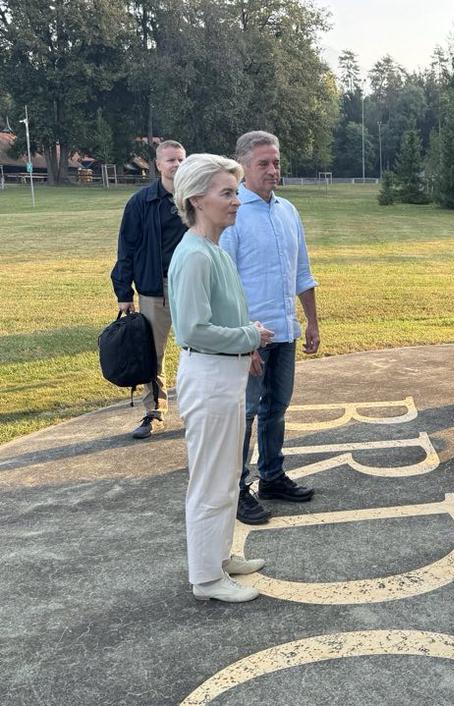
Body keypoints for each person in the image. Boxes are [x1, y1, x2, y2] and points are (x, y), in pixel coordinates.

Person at [167, 153, 273, 603]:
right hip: (208, 379)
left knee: (227, 474)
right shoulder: (195, 255)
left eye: (235, 192)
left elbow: (219, 318)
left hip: (222, 373)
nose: (236, 201)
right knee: (211, 479)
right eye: (226, 193)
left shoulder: (212, 250)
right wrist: (249, 336)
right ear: (196, 200)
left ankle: (219, 557)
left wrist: (244, 348)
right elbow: (193, 329)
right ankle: (206, 578)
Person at [220, 131, 320, 525]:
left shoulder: (287, 211)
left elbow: (302, 272)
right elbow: (225, 282)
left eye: (275, 162)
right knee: (245, 414)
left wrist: (311, 320)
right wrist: (243, 341)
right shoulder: (232, 213)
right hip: (250, 336)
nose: (272, 170)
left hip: (284, 331)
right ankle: (237, 489)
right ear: (243, 165)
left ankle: (273, 477)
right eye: (263, 163)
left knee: (276, 408)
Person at [110, 140, 187, 439]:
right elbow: (126, 248)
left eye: (181, 159)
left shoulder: (195, 198)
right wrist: (123, 293)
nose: (176, 165)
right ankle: (154, 411)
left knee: (199, 349)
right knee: (152, 354)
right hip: (155, 289)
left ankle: (200, 409)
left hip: (191, 287)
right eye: (170, 160)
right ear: (157, 164)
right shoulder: (140, 203)